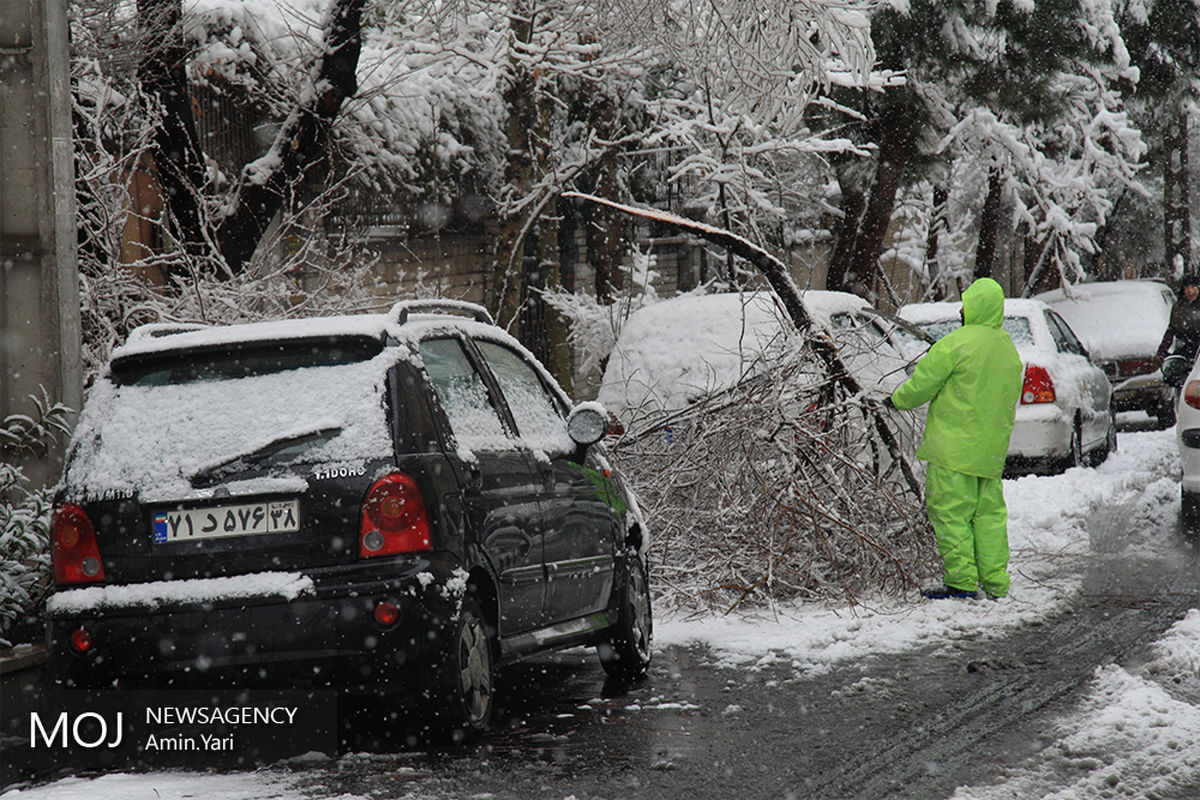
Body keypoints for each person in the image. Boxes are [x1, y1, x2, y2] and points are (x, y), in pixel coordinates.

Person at [885, 278, 1023, 600]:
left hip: (953, 450)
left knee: (951, 513)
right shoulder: (1007, 348)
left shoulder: (955, 344)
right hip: (989, 453)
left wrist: (895, 400)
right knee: (988, 517)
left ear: (974, 307)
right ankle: (995, 582)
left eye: (965, 304)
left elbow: (921, 385)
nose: (961, 310)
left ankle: (960, 582)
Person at [1157, 274, 1200, 366]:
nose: (1190, 290)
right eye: (1187, 287)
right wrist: (1163, 349)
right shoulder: (1178, 307)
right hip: (1182, 352)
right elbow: (1172, 329)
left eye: (1193, 287)